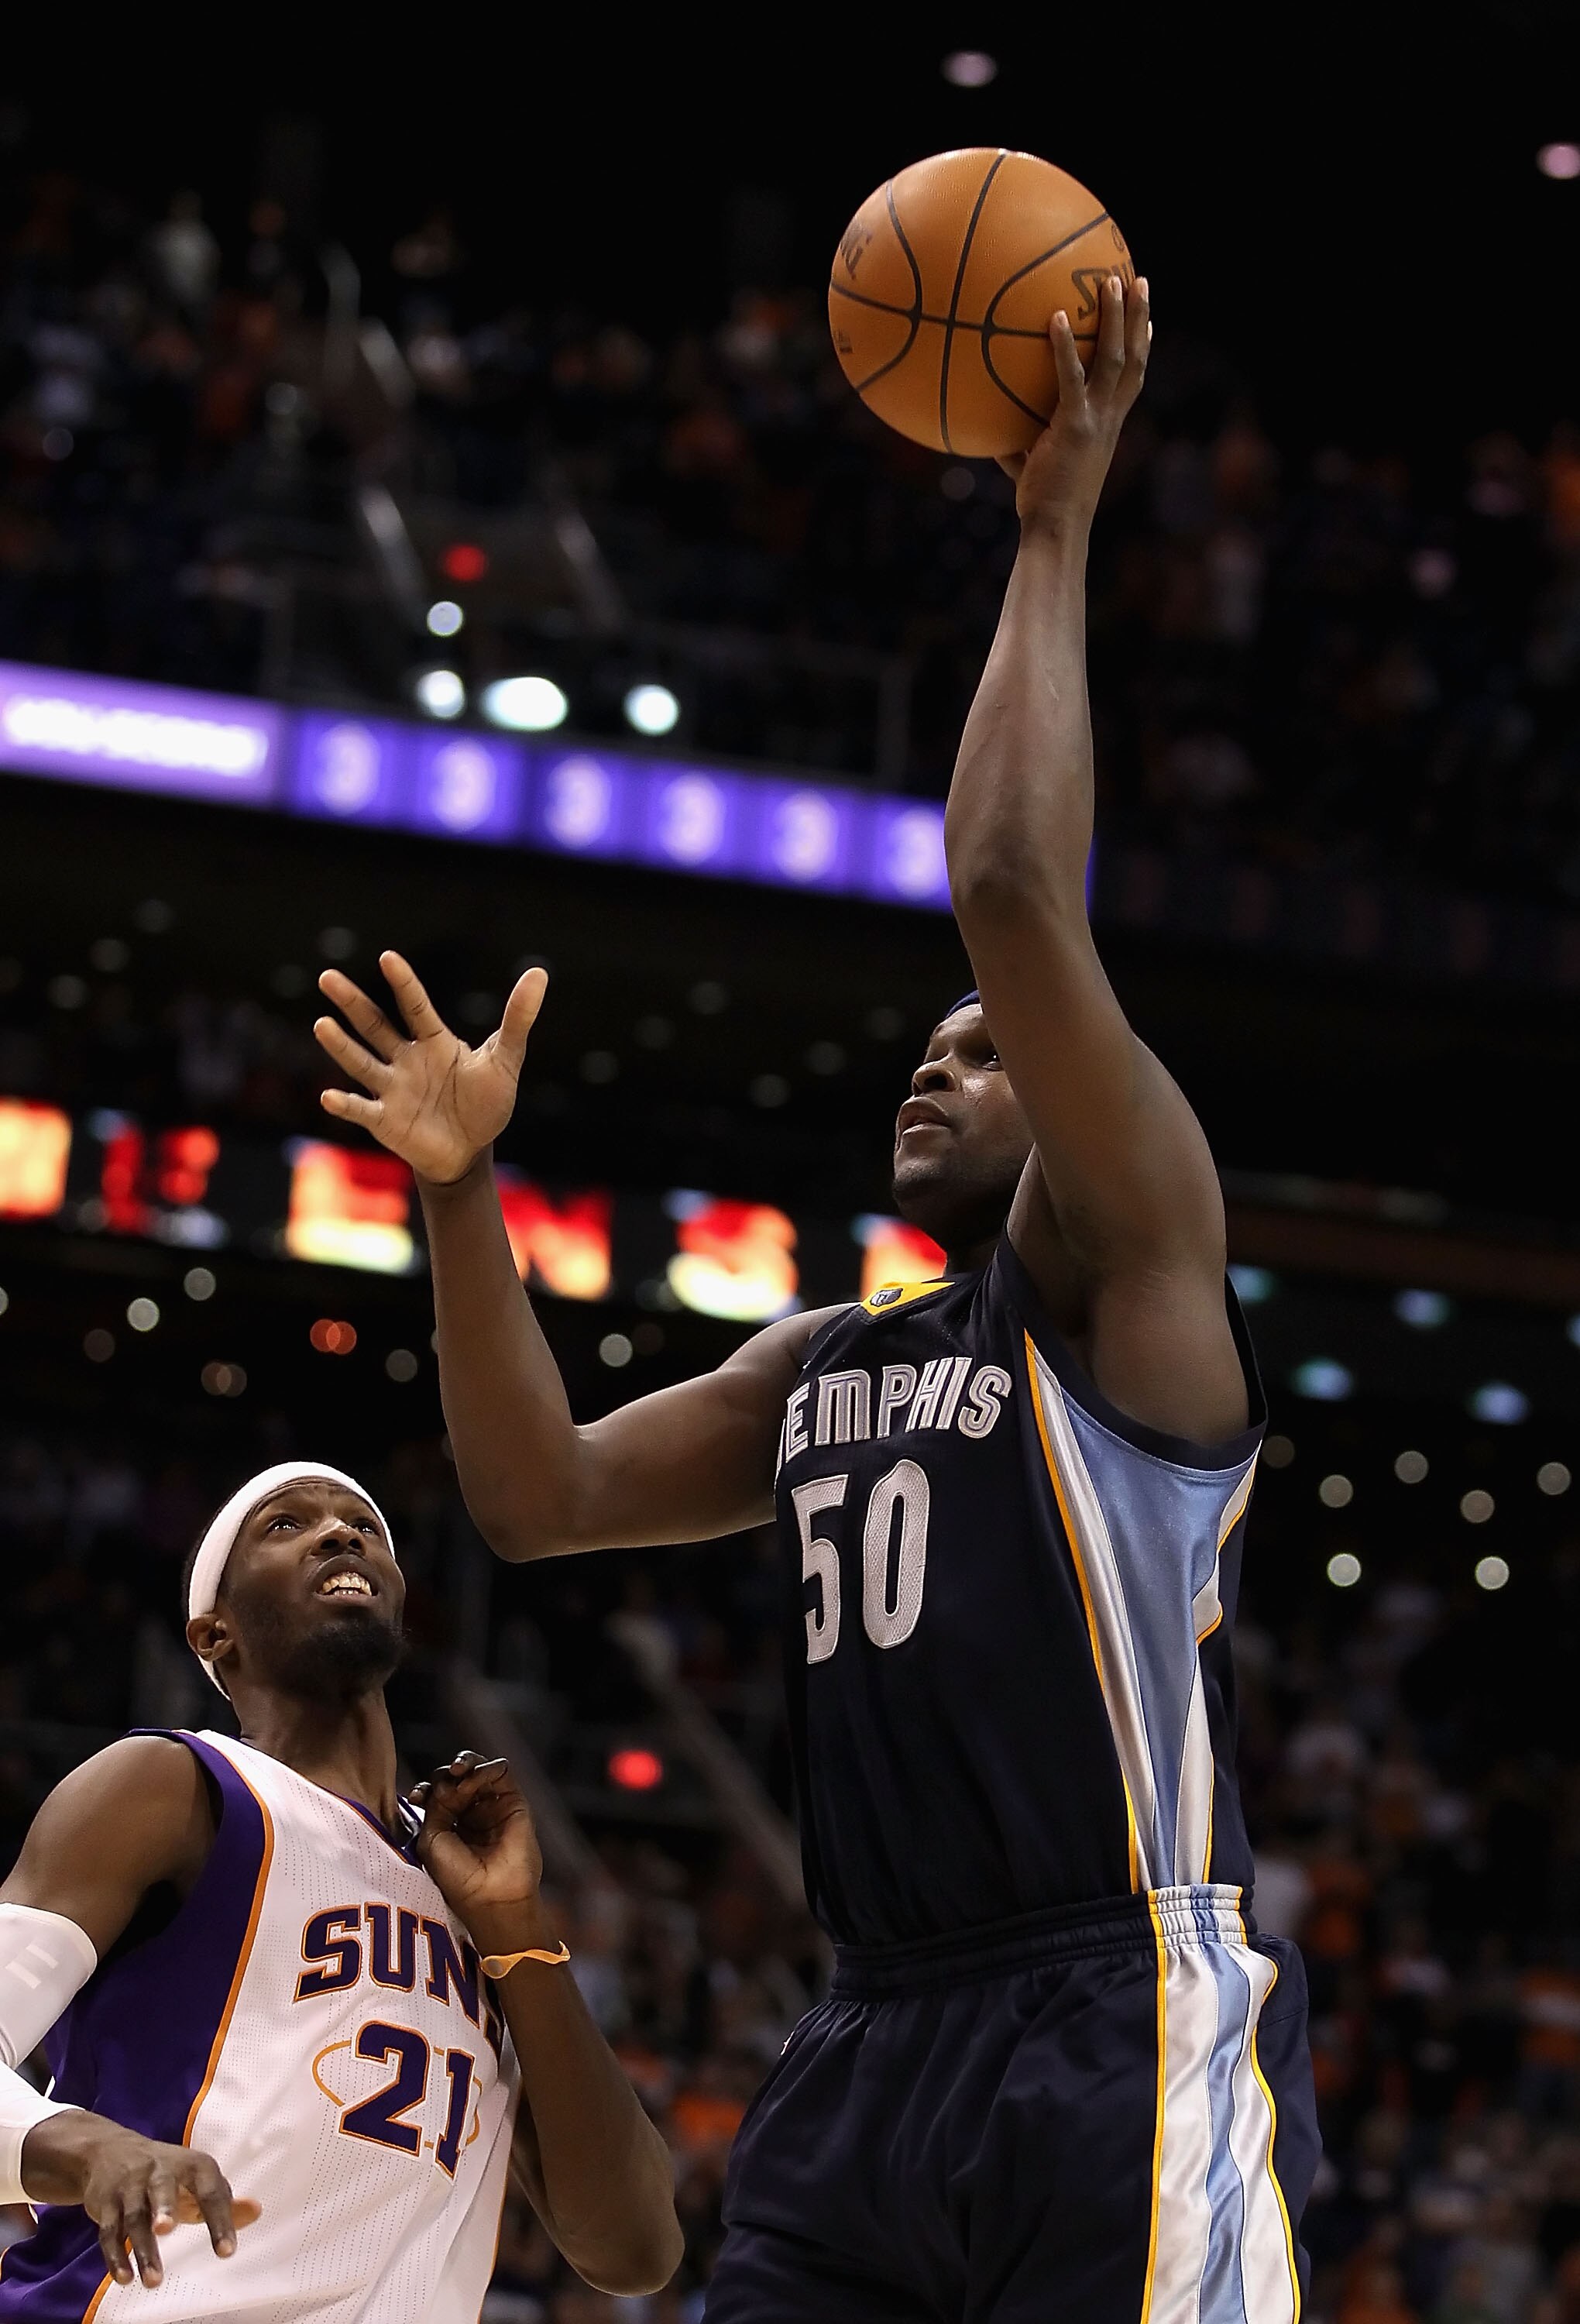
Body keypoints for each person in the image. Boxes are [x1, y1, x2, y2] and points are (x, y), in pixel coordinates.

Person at [314, 276, 1319, 2324]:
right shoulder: (827, 1365)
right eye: (924, 1050)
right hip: (867, 2038)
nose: (934, 1066)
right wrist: (461, 1195)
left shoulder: (1136, 1266)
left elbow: (1018, 894)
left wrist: (1052, 522)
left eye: (987, 1053)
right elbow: (533, 1501)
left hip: (1108, 2012)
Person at [0, 1463, 680, 2319]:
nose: (338, 1532)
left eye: (360, 1523)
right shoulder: (178, 1785)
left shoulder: (469, 1901)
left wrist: (516, 1931)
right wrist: (75, 2144)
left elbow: (635, 2249)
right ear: (215, 1636)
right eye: (285, 1526)